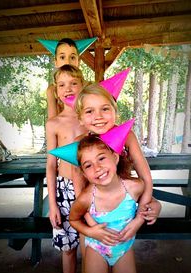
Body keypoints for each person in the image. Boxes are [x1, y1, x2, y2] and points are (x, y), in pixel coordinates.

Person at [73, 83, 161, 223]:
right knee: (88, 243)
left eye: (105, 109)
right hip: (94, 208)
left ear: (115, 111)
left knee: (125, 240)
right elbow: (79, 191)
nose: (98, 116)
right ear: (80, 118)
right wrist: (91, 224)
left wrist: (139, 217)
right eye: (90, 111)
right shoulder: (79, 144)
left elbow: (145, 177)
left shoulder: (127, 136)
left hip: (125, 203)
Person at [70, 134, 145, 273]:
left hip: (124, 248)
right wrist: (90, 232)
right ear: (85, 174)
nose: (97, 167)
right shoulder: (86, 198)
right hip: (96, 248)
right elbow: (73, 218)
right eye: (88, 165)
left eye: (101, 158)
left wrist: (157, 207)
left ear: (115, 158)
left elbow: (149, 202)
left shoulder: (134, 187)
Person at [46, 64, 87, 273]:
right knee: (68, 249)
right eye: (61, 85)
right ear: (56, 90)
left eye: (73, 83)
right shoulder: (53, 123)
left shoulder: (89, 118)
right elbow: (51, 165)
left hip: (89, 187)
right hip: (64, 190)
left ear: (83, 86)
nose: (68, 88)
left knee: (90, 246)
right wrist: (52, 204)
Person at [47, 38, 80, 119]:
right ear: (56, 62)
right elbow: (52, 122)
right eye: (62, 57)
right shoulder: (51, 90)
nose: (67, 62)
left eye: (72, 57)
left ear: (78, 62)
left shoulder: (87, 86)